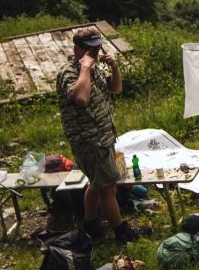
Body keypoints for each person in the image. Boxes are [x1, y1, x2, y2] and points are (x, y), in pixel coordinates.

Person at [56, 26, 139, 243]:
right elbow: (81, 98)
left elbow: (115, 88)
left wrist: (114, 67)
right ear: (78, 49)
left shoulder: (94, 69)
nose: (95, 53)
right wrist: (84, 67)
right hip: (89, 140)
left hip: (104, 136)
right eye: (90, 50)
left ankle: (91, 224)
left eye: (97, 48)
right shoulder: (70, 73)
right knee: (108, 187)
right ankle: (121, 232)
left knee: (96, 183)